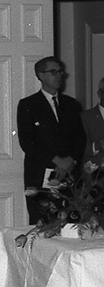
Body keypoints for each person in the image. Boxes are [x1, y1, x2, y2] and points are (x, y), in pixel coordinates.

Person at [16, 56, 86, 224]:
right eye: (53, 72)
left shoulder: (71, 104)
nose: (59, 75)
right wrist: (56, 160)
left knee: (71, 219)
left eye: (60, 71)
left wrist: (70, 160)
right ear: (41, 75)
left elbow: (80, 137)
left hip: (69, 172)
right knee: (42, 220)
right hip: (41, 172)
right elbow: (27, 143)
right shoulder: (28, 105)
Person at [81, 77, 104, 164]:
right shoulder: (85, 117)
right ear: (100, 94)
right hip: (96, 170)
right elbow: (77, 149)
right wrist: (96, 146)